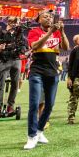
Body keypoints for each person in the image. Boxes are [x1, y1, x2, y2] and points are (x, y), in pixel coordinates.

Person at [24, 11, 69, 149]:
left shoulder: (57, 32)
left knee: (49, 105)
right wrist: (49, 33)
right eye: (45, 17)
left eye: (50, 17)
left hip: (52, 72)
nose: (49, 18)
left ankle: (39, 131)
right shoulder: (34, 32)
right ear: (39, 20)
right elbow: (34, 47)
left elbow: (66, 48)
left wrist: (61, 32)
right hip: (37, 71)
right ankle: (31, 136)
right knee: (34, 103)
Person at [0, 16, 26, 115]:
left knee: (15, 84)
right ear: (7, 22)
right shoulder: (0, 34)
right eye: (11, 21)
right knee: (1, 84)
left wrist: (23, 50)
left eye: (16, 22)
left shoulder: (20, 35)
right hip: (4, 60)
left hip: (16, 60)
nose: (14, 24)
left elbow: (24, 48)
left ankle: (10, 106)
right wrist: (2, 47)